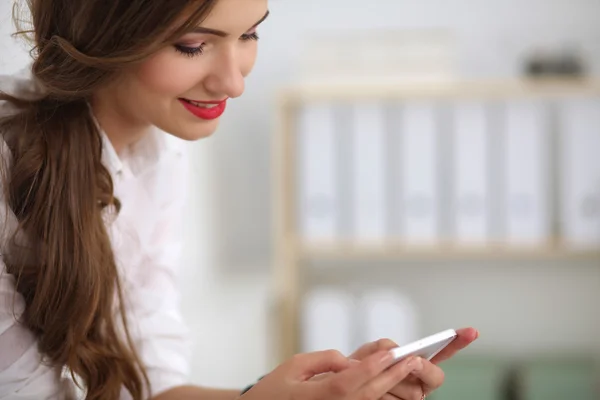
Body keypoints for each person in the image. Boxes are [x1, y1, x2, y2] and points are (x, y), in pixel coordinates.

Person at [0, 0, 479, 399]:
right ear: (103, 35)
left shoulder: (159, 151)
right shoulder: (10, 163)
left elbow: (149, 382)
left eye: (249, 35)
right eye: (193, 46)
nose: (234, 83)